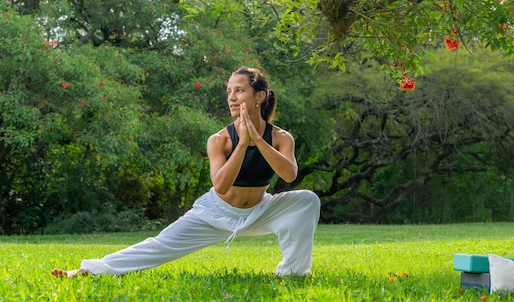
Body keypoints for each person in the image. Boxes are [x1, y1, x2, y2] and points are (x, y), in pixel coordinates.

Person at [51, 67, 320, 278]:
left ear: (259, 96)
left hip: (261, 211)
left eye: (239, 90)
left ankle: (292, 274)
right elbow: (221, 185)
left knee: (307, 200)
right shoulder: (219, 140)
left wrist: (258, 141)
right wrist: (243, 144)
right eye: (229, 91)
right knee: (160, 245)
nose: (232, 97)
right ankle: (90, 270)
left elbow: (289, 175)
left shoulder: (281, 137)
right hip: (217, 213)